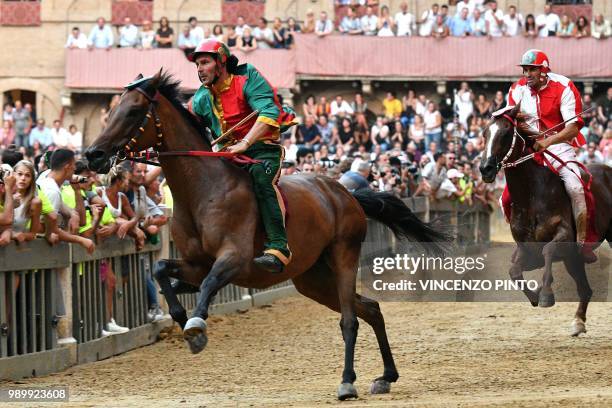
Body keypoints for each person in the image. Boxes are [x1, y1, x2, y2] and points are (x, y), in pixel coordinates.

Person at [187, 39, 297, 273]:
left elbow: (268, 111)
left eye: (205, 62)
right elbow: (187, 130)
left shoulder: (247, 79)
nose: (199, 69)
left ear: (221, 61)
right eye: (197, 64)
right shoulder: (200, 99)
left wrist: (245, 143)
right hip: (227, 155)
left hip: (262, 150)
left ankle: (278, 247)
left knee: (260, 176)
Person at [503, 49, 596, 262]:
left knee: (575, 186)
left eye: (532, 70)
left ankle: (582, 244)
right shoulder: (517, 89)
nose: (527, 74)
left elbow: (572, 129)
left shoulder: (564, 86)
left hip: (559, 147)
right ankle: (524, 244)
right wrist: (525, 130)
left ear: (544, 70)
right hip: (530, 149)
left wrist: (547, 141)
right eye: (525, 69)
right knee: (505, 198)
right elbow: (510, 120)